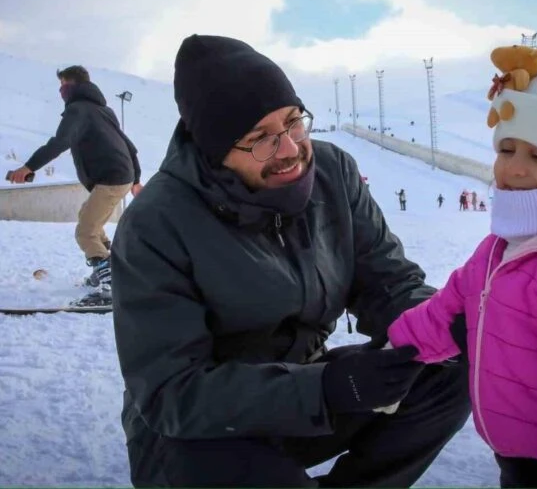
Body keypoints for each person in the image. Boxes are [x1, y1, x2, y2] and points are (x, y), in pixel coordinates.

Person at [110, 35, 470, 488]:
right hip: (200, 432)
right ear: (215, 150)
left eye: (293, 122)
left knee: (446, 373)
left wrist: (442, 324)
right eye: (260, 138)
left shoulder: (333, 173)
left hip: (307, 396)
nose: (289, 149)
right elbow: (171, 393)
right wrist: (325, 388)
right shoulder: (157, 224)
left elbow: (388, 282)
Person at [386, 50, 537, 488]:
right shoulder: (498, 248)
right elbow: (443, 314)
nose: (515, 167)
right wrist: (393, 357)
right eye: (506, 148)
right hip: (515, 459)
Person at [6, 65, 142, 305]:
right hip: (118, 176)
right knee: (90, 220)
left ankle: (109, 287)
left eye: (63, 86)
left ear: (74, 87)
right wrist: (137, 179)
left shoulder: (78, 110)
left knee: (85, 231)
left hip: (111, 178)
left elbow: (59, 142)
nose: (60, 92)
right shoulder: (103, 110)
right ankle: (109, 270)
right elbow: (129, 146)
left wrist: (28, 167)